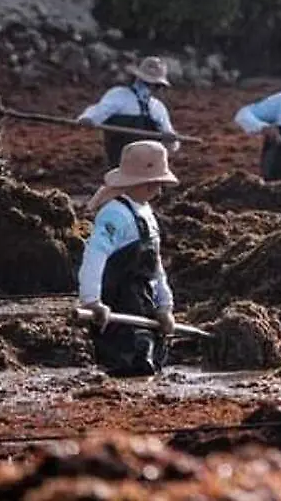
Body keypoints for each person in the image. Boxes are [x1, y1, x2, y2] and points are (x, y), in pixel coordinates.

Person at [77, 140, 180, 377]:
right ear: (139, 183)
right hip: (118, 306)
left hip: (144, 302)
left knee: (151, 358)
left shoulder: (146, 213)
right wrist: (92, 301)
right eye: (154, 185)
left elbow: (156, 267)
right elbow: (94, 256)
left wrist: (165, 306)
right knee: (131, 364)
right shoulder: (115, 214)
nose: (159, 191)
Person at [77, 56, 180, 168]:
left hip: (149, 166)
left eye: (155, 86)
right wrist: (88, 119)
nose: (149, 88)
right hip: (120, 163)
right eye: (146, 83)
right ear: (138, 79)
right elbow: (99, 111)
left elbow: (171, 140)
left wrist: (171, 140)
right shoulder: (118, 95)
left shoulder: (158, 107)